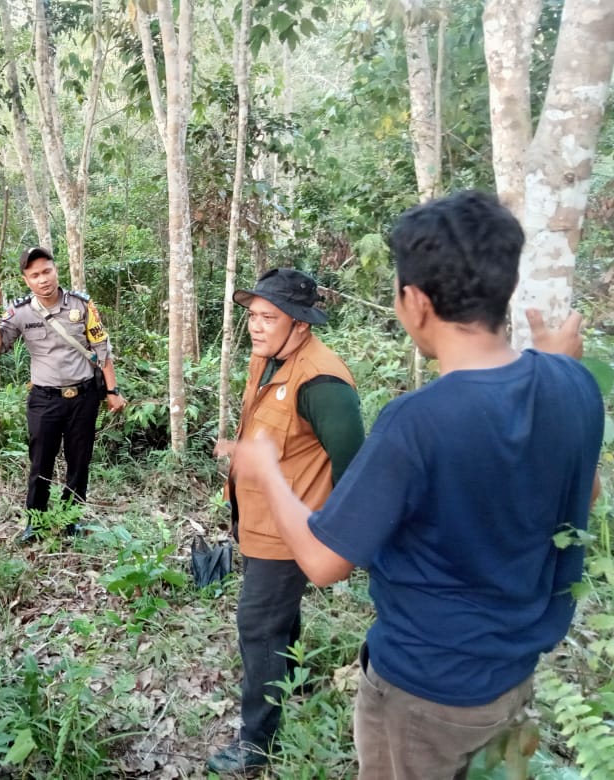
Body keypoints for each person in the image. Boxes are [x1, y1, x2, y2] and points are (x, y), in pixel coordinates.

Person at [230, 190, 604, 780]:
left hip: (422, 692)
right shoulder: (573, 385)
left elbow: (326, 562)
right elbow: (587, 498)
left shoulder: (415, 421)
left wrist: (267, 472)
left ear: (415, 302)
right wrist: (561, 371)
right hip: (513, 677)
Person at [208, 268, 365, 776]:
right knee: (278, 620)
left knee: (258, 627)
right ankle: (291, 681)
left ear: (300, 323)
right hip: (258, 521)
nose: (255, 325)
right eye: (252, 315)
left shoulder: (322, 381)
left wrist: (340, 539)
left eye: (268, 317)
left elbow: (354, 468)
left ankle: (256, 744)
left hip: (288, 533)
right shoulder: (269, 358)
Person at [0, 247, 126, 540]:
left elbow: (103, 351)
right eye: (34, 275)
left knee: (79, 462)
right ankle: (35, 523)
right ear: (26, 280)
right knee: (40, 463)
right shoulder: (21, 312)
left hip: (84, 397)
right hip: (44, 400)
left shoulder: (81, 305)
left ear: (55, 269)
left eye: (46, 271)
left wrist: (112, 390)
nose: (43, 279)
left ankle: (71, 520)